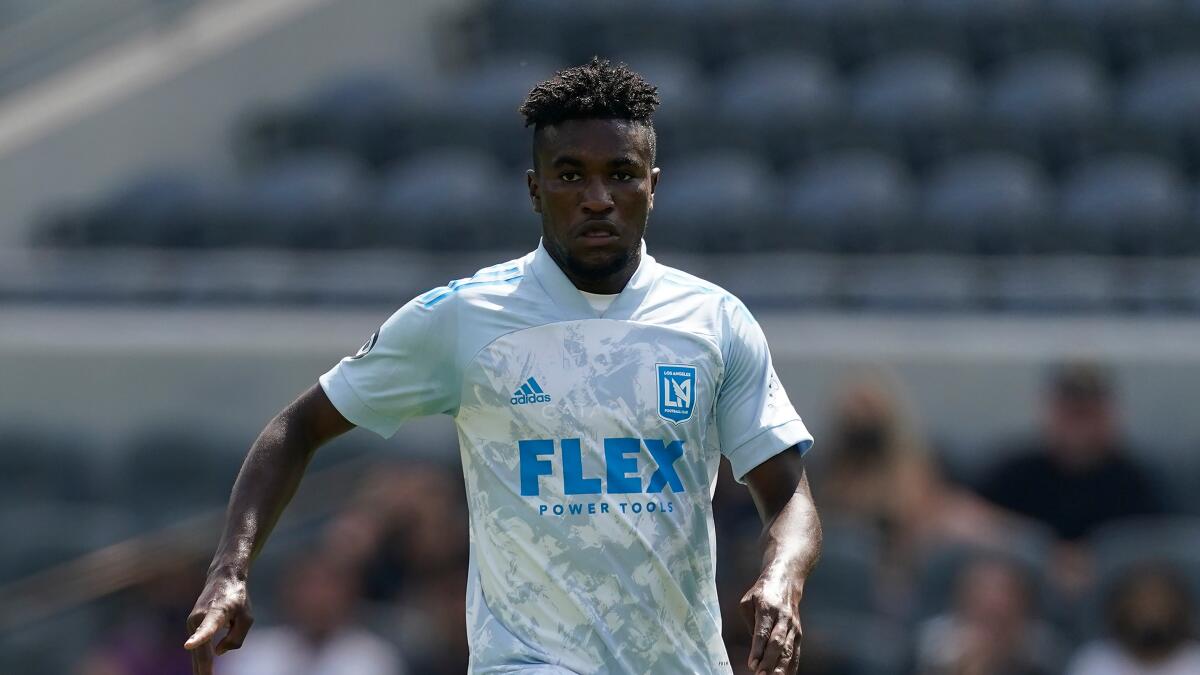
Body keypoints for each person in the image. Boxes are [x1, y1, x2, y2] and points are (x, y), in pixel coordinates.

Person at [184, 57, 822, 675]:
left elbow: (787, 493)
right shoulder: (464, 317)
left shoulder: (714, 322)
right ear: (534, 188)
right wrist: (229, 573)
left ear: (653, 184)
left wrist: (782, 577)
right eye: (571, 175)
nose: (598, 198)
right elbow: (297, 428)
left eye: (621, 174)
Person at [975, 361, 1163, 594]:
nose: (1080, 427)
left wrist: (1095, 561)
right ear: (1048, 411)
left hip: (1114, 597)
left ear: (1111, 414)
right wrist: (1041, 550)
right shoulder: (1016, 473)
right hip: (1026, 596)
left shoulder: (1136, 481)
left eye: (1089, 413)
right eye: (1071, 413)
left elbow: (1163, 540)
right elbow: (963, 516)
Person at [216, 554, 403, 675]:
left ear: (349, 597)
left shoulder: (374, 657)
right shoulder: (251, 651)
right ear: (289, 595)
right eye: (309, 589)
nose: (318, 600)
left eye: (329, 590)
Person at [916, 555, 1066, 675]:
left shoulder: (1043, 655)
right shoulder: (932, 649)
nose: (996, 606)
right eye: (984, 614)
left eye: (1001, 617)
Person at [1066, 563, 1200, 675]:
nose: (1150, 608)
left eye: (1160, 600)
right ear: (1119, 607)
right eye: (1140, 600)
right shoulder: (1093, 661)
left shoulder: (1196, 661)